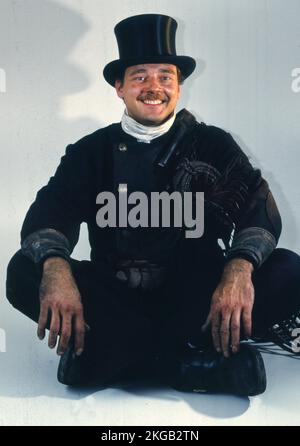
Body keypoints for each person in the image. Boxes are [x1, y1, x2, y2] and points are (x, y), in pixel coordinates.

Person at [5, 14, 300, 396]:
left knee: (289, 270)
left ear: (178, 87)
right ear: (119, 87)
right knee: (24, 270)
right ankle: (189, 364)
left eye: (165, 76)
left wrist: (238, 271)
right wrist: (56, 268)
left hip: (197, 301)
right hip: (116, 301)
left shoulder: (212, 143)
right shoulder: (91, 151)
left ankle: (112, 358)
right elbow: (51, 212)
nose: (154, 87)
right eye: (140, 76)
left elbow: (258, 210)